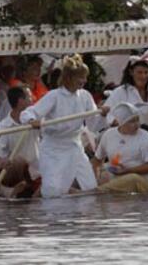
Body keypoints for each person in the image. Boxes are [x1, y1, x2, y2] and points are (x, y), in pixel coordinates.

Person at [21, 54, 109, 198]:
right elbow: (30, 113)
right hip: (53, 149)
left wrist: (102, 115)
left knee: (89, 186)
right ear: (69, 78)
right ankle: (53, 217)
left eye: (85, 77)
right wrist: (32, 121)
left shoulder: (85, 96)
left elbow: (93, 125)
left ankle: (82, 218)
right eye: (80, 77)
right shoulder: (54, 96)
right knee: (52, 190)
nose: (84, 81)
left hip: (75, 146)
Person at [91, 102, 148, 193]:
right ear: (121, 123)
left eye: (137, 120)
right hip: (117, 180)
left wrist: (128, 170)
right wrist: (96, 177)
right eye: (132, 121)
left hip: (143, 183)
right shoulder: (109, 134)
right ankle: (92, 189)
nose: (137, 125)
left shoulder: (145, 136)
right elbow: (97, 160)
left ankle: (93, 192)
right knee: (104, 173)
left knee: (132, 178)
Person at [0, 86, 41, 198]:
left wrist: (40, 126)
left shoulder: (36, 119)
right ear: (21, 101)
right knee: (15, 162)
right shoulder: (3, 126)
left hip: (36, 171)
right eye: (30, 97)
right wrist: (0, 162)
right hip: (15, 171)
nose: (33, 99)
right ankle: (8, 191)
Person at [103, 50, 148, 148]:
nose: (143, 76)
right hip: (129, 143)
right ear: (131, 72)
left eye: (146, 72)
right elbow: (109, 113)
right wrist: (114, 121)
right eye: (139, 72)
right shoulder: (121, 91)